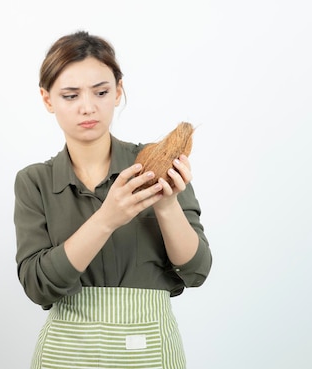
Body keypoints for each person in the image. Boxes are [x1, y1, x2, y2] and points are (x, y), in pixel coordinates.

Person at [13, 31, 212, 369]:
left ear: (118, 91)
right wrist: (107, 219)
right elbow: (38, 286)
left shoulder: (155, 165)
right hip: (66, 354)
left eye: (101, 92)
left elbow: (196, 271)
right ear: (48, 100)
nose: (87, 107)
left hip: (149, 350)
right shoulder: (35, 181)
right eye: (70, 95)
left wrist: (166, 205)